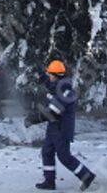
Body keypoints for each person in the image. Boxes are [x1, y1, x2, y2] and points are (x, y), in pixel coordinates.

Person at [24, 60, 95, 191]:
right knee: (47, 152)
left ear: (56, 75)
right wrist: (40, 75)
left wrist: (33, 119)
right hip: (54, 128)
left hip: (62, 129)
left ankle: (86, 175)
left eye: (50, 74)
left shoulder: (65, 92)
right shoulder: (59, 85)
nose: (49, 77)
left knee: (64, 157)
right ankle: (49, 181)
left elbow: (52, 113)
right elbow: (50, 85)